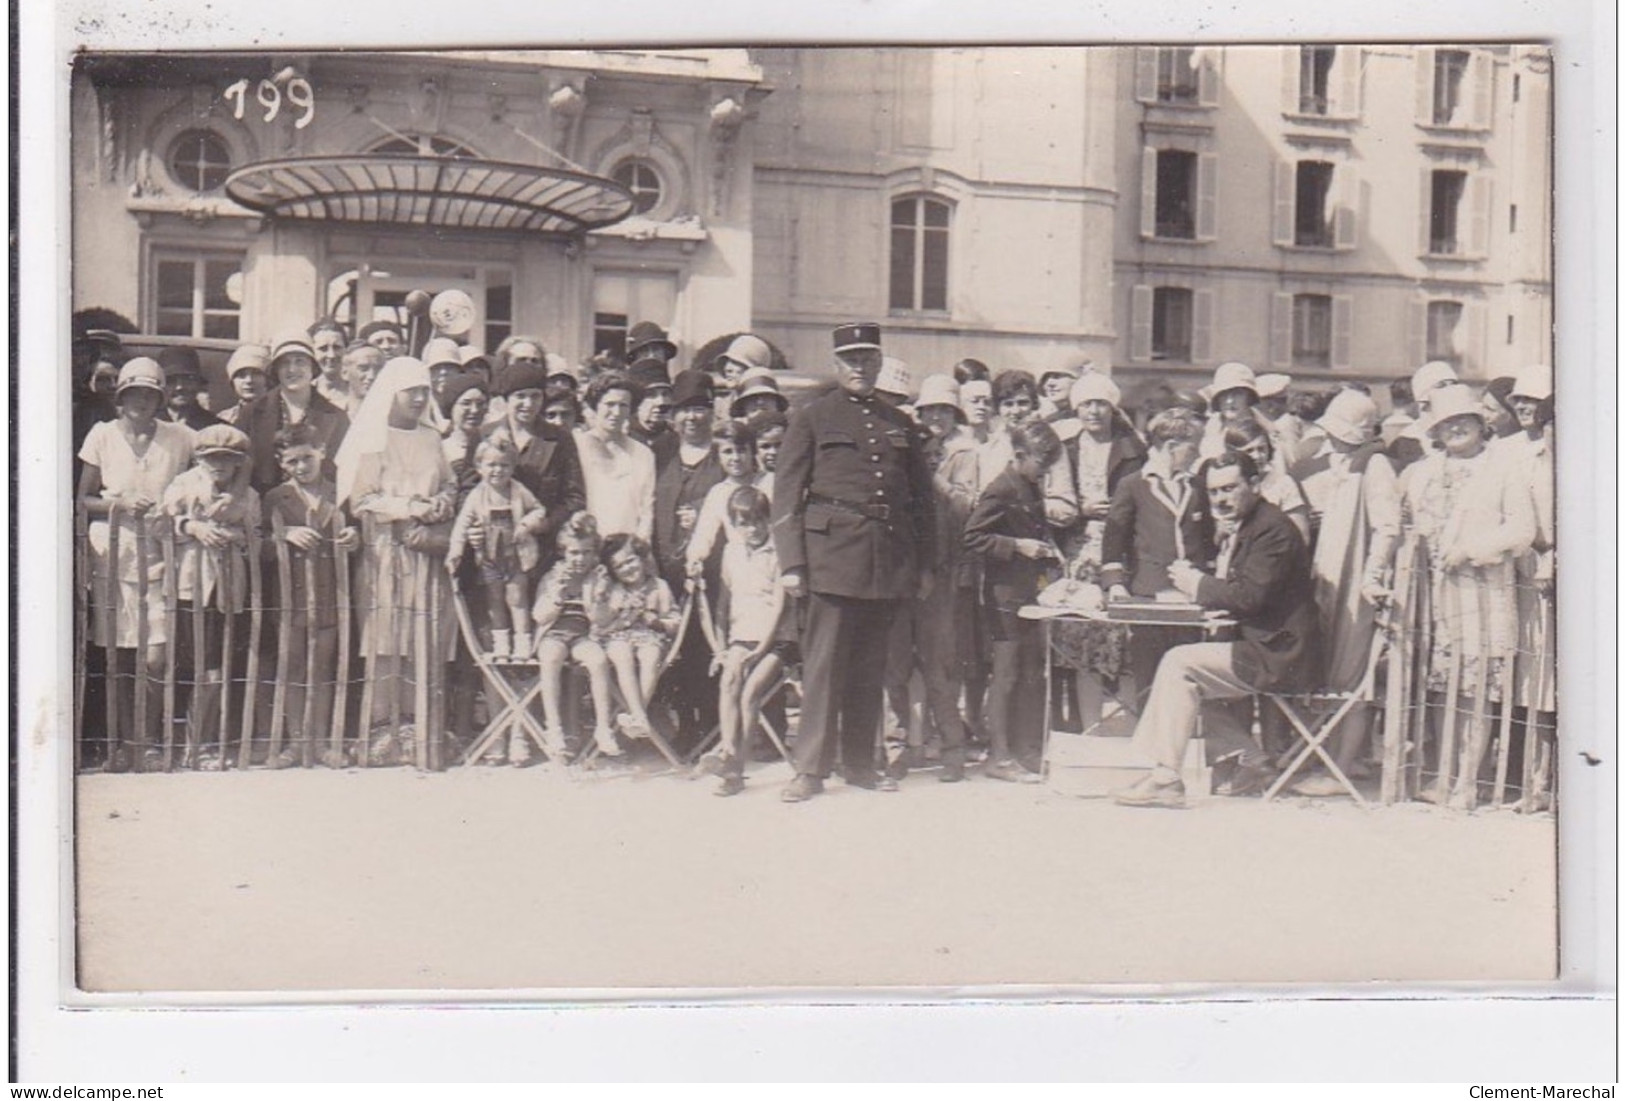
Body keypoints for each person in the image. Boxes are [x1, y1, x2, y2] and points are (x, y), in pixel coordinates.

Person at [772, 322, 936, 802]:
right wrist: (792, 562)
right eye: (851, 359)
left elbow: (922, 501)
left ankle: (860, 763)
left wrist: (925, 564)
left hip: (886, 558)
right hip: (830, 557)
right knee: (823, 668)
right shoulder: (812, 416)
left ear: (880, 362)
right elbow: (787, 491)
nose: (861, 367)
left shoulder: (900, 423)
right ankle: (810, 769)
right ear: (837, 364)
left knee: (871, 666)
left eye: (868, 358)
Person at [1113, 452, 1320, 809]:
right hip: (1266, 645)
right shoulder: (1254, 524)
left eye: (1230, 488)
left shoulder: (1273, 529)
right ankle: (1253, 762)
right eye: (1213, 492)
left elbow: (1250, 596)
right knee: (1177, 684)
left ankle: (1165, 778)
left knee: (1178, 665)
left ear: (1255, 485)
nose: (1221, 499)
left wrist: (1199, 585)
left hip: (1280, 654)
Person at [1399, 383, 1537, 809]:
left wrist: (1471, 551)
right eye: (1446, 423)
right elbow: (1407, 525)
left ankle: (1467, 783)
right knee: (1442, 689)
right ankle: (1442, 776)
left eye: (1464, 420)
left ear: (1481, 424)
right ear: (1435, 431)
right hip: (1434, 598)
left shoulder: (1502, 470)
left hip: (1483, 594)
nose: (1456, 428)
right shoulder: (1422, 473)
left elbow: (1522, 530)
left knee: (1476, 690)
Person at [334, 356, 457, 766]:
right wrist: (409, 508)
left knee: (420, 637)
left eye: (425, 391)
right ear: (393, 393)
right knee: (385, 637)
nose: (420, 399)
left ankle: (415, 727)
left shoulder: (431, 437)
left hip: (424, 552)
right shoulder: (373, 438)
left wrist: (440, 503)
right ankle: (380, 730)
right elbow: (362, 499)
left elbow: (449, 482)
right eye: (412, 391)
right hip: (385, 550)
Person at [77, 358, 195, 767]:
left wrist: (177, 507)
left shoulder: (180, 437)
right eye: (133, 393)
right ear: (120, 397)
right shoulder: (102, 436)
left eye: (149, 393)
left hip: (162, 555)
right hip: (112, 554)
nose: (141, 401)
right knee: (120, 656)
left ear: (160, 398)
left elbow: (227, 458)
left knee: (155, 657)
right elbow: (83, 499)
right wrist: (119, 504)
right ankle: (125, 746)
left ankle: (150, 740)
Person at [1287, 389, 1401, 793]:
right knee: (1327, 667)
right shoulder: (1337, 462)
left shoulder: (1375, 464)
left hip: (1355, 580)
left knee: (1352, 673)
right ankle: (1331, 757)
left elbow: (1388, 526)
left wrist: (1373, 576)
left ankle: (1342, 764)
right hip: (1328, 574)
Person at [962, 421, 1067, 781]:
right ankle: (999, 756)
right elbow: (972, 537)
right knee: (1005, 675)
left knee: (1029, 674)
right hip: (1003, 596)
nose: (1045, 473)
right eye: (1041, 465)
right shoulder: (1001, 487)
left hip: (1027, 592)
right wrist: (1016, 546)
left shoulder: (1028, 484)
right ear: (1020, 456)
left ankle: (1025, 750)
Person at [161, 424, 262, 770]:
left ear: (238, 463)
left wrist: (236, 534)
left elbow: (257, 538)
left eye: (227, 459)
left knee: (217, 670)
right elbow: (163, 521)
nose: (218, 465)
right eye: (211, 459)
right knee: (196, 668)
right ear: (199, 459)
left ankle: (203, 743)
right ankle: (186, 744)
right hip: (192, 585)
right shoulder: (184, 484)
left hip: (228, 589)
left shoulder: (248, 497)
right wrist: (193, 527)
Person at [261, 422, 360, 769]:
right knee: (293, 668)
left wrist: (353, 537)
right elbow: (255, 545)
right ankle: (295, 743)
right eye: (292, 462)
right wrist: (284, 534)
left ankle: (321, 743)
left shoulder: (340, 494)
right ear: (281, 462)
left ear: (322, 452)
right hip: (291, 601)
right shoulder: (275, 498)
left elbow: (357, 535)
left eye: (307, 458)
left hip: (332, 594)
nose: (301, 467)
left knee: (323, 667)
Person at [1100, 409, 1213, 702]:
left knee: (1187, 673)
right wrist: (1115, 582)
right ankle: (1149, 741)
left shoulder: (1197, 486)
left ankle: (1184, 741)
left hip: (1189, 597)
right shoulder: (1133, 485)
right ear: (1172, 446)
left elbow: (1207, 539)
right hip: (1148, 595)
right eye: (1193, 447)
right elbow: (1114, 537)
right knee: (1149, 675)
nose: (1198, 453)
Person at [709, 487, 796, 796]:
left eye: (759, 521)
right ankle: (729, 751)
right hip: (740, 638)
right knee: (729, 679)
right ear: (734, 524)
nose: (753, 529)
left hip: (777, 641)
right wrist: (720, 647)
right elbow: (723, 603)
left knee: (749, 694)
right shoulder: (731, 553)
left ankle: (736, 770)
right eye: (744, 523)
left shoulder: (778, 553)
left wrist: (761, 648)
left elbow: (778, 605)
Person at [1500, 362, 1555, 808]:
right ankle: (1515, 778)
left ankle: (1541, 783)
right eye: (1519, 400)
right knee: (1517, 676)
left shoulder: (1562, 452)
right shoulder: (1507, 449)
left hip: (1547, 570)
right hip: (1509, 572)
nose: (1524, 407)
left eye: (1533, 401)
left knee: (1544, 679)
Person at [446, 436, 549, 660]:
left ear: (512, 467)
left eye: (504, 465)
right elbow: (461, 525)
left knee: (517, 598)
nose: (498, 471)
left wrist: (526, 523)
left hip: (516, 556)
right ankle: (501, 645)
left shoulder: (518, 490)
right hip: (490, 557)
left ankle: (522, 644)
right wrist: (455, 551)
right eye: (491, 465)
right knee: (494, 600)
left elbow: (539, 510)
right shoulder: (477, 495)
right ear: (479, 467)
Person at [533, 512, 616, 760]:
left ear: (595, 554)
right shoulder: (553, 576)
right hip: (554, 633)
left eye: (586, 552)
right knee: (550, 658)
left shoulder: (599, 578)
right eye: (574, 553)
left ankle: (603, 727)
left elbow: (602, 620)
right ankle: (554, 728)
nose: (580, 559)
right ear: (563, 552)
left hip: (584, 635)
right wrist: (557, 596)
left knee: (598, 660)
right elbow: (539, 616)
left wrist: (599, 598)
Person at [492, 357, 587, 570]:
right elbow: (469, 490)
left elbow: (575, 497)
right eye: (520, 396)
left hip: (544, 551)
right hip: (492, 549)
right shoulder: (485, 435)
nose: (528, 404)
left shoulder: (559, 439)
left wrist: (547, 523)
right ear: (506, 399)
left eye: (535, 396)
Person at [593, 533, 680, 746]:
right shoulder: (615, 591)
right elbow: (602, 621)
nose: (627, 568)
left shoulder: (659, 587)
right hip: (618, 637)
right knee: (622, 656)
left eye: (630, 560)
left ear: (642, 557)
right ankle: (640, 717)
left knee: (650, 656)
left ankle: (635, 716)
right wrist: (611, 603)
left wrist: (658, 623)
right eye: (619, 566)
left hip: (649, 637)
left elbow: (675, 621)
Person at [240, 332, 350, 493]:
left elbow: (345, 470)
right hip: (263, 507)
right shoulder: (251, 413)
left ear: (312, 368)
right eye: (284, 363)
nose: (292, 369)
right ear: (276, 369)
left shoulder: (336, 417)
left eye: (300, 361)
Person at [575, 371, 656, 540]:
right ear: (596, 405)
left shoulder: (643, 454)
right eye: (609, 404)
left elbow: (646, 510)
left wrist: (637, 547)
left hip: (626, 550)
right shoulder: (577, 446)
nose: (617, 412)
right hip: (585, 545)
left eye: (623, 405)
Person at [1222, 419, 1311, 544]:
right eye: (1249, 451)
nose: (1258, 456)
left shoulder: (1283, 484)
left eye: (1262, 449)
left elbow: (1301, 536)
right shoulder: (1224, 485)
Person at [1386, 360, 1461, 473]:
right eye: (1441, 385)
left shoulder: (1468, 430)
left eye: (1453, 384)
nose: (1450, 390)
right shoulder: (1407, 441)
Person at [437, 373, 491, 504]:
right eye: (466, 403)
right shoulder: (440, 449)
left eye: (480, 404)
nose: (474, 410)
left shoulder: (493, 445)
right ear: (451, 407)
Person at [156, 346, 223, 433]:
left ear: (198, 384)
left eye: (187, 380)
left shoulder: (216, 428)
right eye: (171, 381)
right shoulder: (148, 423)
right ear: (162, 385)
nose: (180, 387)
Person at [216, 344, 270, 426]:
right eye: (241, 375)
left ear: (267, 379)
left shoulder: (280, 416)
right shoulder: (224, 418)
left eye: (256, 373)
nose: (249, 380)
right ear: (232, 382)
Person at [309, 319, 350, 411]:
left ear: (346, 350)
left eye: (337, 347)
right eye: (323, 348)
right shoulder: (304, 393)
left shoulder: (356, 391)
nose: (331, 355)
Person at [340, 342, 385, 416]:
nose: (372, 376)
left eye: (378, 369)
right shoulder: (330, 418)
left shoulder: (393, 420)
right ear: (344, 373)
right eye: (363, 368)